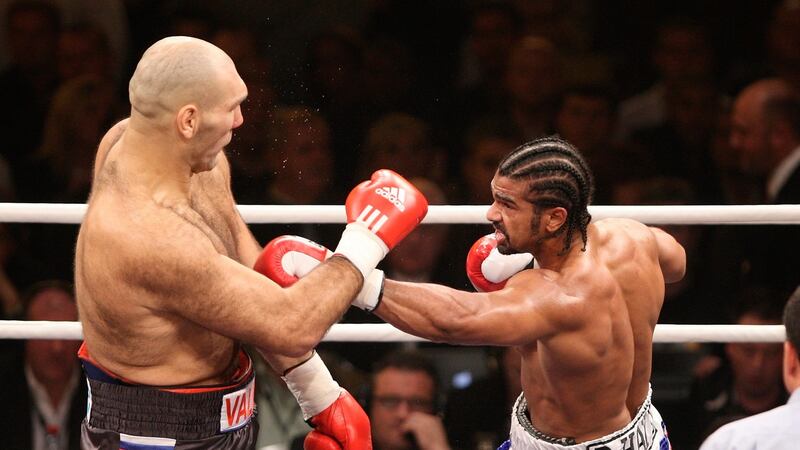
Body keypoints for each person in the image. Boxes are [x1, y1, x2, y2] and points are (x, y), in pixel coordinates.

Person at [74, 36, 428, 449]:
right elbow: (289, 326)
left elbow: (251, 274)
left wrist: (319, 394)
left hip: (226, 417)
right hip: (154, 436)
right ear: (188, 120)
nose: (242, 120)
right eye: (231, 107)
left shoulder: (183, 155)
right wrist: (366, 239)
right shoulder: (148, 237)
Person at [265, 136, 686, 449]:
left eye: (507, 204)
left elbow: (456, 320)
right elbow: (677, 262)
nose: (490, 214)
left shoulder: (557, 296)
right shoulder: (635, 239)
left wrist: (351, 273)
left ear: (556, 217)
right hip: (646, 429)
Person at [699, 287, 800, 449]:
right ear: (729, 347)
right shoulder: (705, 393)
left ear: (787, 355)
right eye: (748, 350)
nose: (758, 364)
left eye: (771, 353)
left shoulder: (726, 442)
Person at [291, 350, 452, 450]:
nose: (403, 413)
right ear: (368, 404)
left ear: (436, 409)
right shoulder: (319, 444)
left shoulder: (448, 446)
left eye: (418, 402)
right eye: (390, 401)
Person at [0, 281, 86, 450]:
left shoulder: (99, 389)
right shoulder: (4, 385)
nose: (57, 347)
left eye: (67, 333)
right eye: (44, 333)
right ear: (25, 336)